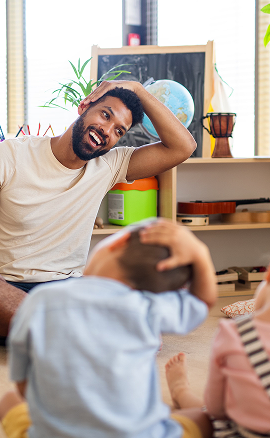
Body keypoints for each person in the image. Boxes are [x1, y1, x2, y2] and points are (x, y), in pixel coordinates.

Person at [0, 80, 197, 337]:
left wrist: (137, 89)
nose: (107, 131)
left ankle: (65, 329)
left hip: (66, 290)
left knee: (157, 295)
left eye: (119, 131)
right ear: (85, 106)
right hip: (9, 285)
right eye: (106, 115)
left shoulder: (110, 165)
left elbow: (183, 147)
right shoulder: (12, 155)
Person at [0, 219, 217, 438]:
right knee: (205, 418)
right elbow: (204, 303)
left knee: (9, 400)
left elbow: (23, 387)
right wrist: (201, 254)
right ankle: (181, 391)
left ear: (118, 242)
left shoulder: (39, 301)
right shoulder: (149, 309)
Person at [165, 268, 270, 438]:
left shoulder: (233, 334)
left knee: (195, 416)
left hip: (239, 432)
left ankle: (180, 391)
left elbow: (216, 408)